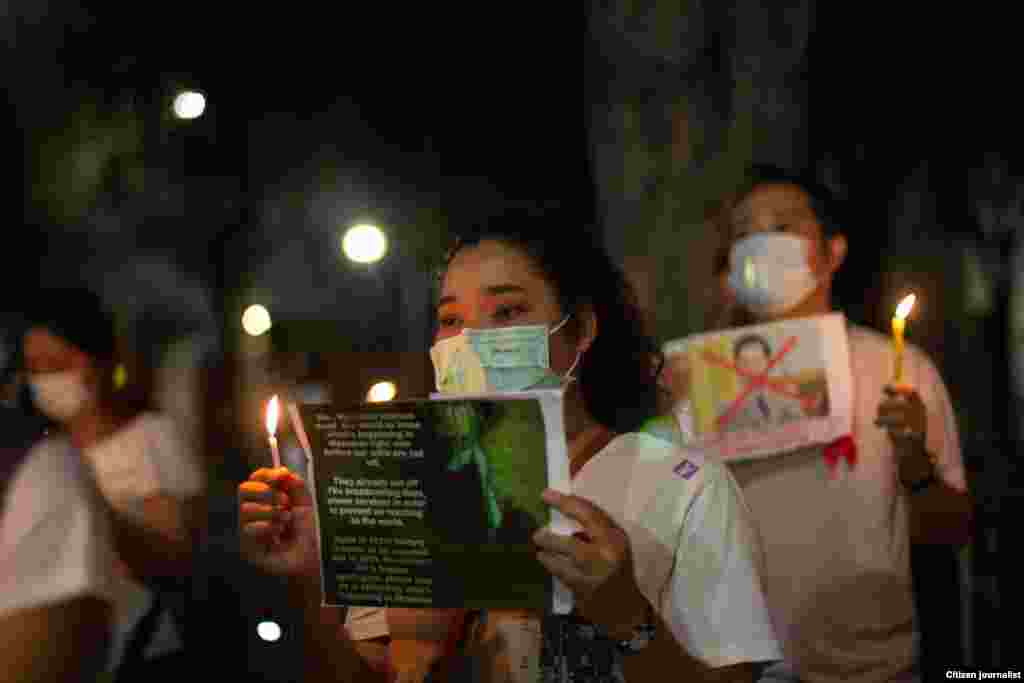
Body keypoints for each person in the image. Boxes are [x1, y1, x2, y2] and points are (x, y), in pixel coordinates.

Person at [239, 213, 782, 682]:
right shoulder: (406, 489)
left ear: (582, 329)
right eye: (451, 319)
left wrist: (626, 619)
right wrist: (311, 577)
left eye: (506, 313)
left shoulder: (684, 487)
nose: (471, 340)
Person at [672, 165, 973, 681]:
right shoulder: (691, 383)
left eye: (782, 227)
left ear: (833, 251)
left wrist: (915, 466)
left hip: (875, 671)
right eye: (744, 233)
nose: (760, 243)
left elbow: (953, 532)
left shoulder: (899, 370)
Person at [20, 286, 206, 680]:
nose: (46, 379)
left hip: (142, 655)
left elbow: (177, 559)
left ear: (96, 360)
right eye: (36, 368)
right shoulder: (39, 456)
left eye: (58, 364)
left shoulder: (152, 437)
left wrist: (89, 512)